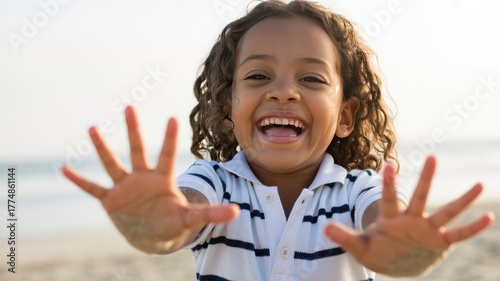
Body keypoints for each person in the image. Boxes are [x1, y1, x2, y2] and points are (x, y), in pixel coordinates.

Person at [62, 1, 495, 280]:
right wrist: (155, 227)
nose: (283, 91)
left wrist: (400, 244)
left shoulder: (360, 189)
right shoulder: (214, 183)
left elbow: (385, 219)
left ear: (345, 116)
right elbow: (183, 216)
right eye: (257, 76)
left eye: (310, 77)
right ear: (228, 109)